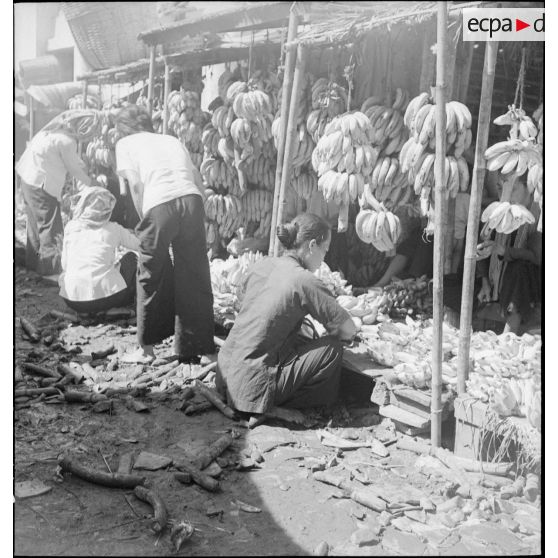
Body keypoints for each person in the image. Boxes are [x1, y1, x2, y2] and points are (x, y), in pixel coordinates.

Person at [216, 213, 357, 425]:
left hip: (224, 374)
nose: (323, 259)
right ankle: (275, 405)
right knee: (331, 350)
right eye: (325, 250)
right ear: (312, 246)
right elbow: (348, 330)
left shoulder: (262, 265)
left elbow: (246, 301)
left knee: (297, 337)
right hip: (249, 389)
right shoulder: (304, 279)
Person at [114, 104, 215, 364]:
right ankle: (202, 349)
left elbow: (135, 185)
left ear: (122, 129)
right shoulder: (171, 139)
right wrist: (200, 209)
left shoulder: (125, 144)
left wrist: (143, 218)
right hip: (191, 200)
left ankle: (146, 350)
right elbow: (196, 176)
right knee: (195, 274)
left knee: (150, 273)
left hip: (158, 205)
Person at [15, 109, 101, 275]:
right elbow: (74, 169)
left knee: (34, 225)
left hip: (28, 180)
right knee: (51, 227)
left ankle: (34, 264)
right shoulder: (67, 141)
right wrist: (92, 184)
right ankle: (50, 272)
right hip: (42, 185)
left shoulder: (50, 133)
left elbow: (68, 160)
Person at [58, 186, 140, 315]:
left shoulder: (71, 227)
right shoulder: (114, 228)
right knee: (131, 258)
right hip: (109, 299)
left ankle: (88, 312)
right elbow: (139, 246)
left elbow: (65, 265)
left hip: (72, 300)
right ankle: (112, 309)